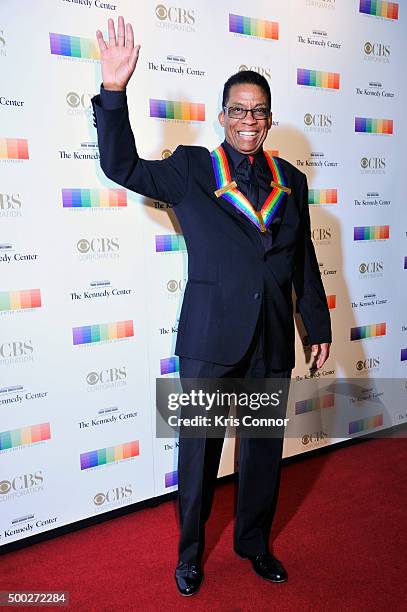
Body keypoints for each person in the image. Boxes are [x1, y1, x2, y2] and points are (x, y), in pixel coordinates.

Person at [92, 16, 331, 597]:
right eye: (238, 110)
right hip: (209, 338)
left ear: (268, 120)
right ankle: (190, 555)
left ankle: (254, 543)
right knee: (199, 457)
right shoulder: (194, 168)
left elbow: (302, 258)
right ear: (222, 116)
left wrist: (314, 322)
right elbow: (121, 168)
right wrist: (114, 93)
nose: (248, 120)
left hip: (271, 338)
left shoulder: (291, 181)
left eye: (258, 112)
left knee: (262, 455)